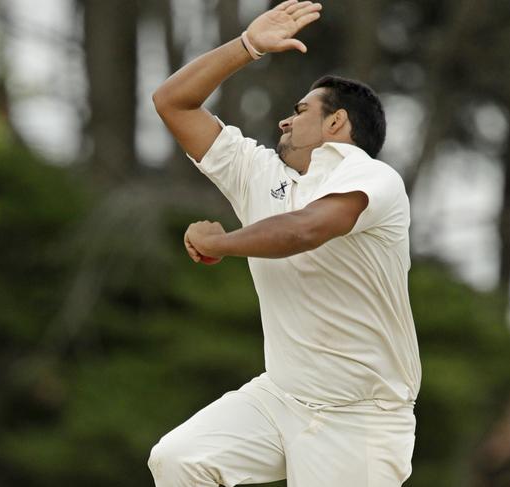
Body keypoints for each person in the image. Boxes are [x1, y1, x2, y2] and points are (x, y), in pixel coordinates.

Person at [148, 1, 421, 486]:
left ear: (336, 124)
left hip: (361, 417)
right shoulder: (261, 174)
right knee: (179, 459)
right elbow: (173, 102)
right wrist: (247, 45)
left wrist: (223, 241)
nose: (284, 122)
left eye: (300, 111)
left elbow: (304, 230)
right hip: (281, 397)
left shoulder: (371, 177)